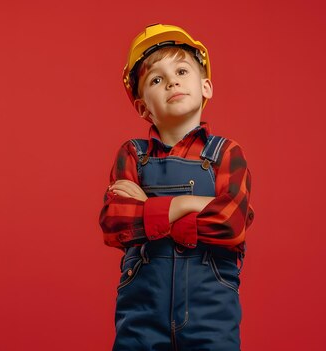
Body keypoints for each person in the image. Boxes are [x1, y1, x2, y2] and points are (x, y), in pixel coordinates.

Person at [99, 23, 255, 351]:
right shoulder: (132, 154)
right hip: (141, 317)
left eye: (182, 70)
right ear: (143, 107)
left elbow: (230, 224)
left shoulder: (227, 154)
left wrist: (151, 208)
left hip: (211, 319)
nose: (172, 81)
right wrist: (193, 203)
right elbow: (116, 223)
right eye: (156, 79)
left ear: (206, 87)